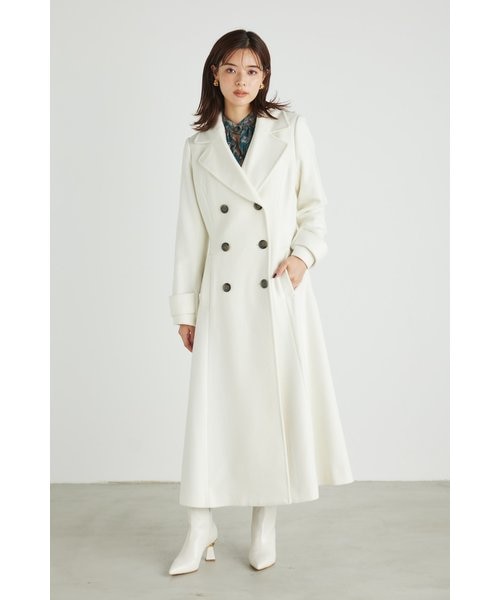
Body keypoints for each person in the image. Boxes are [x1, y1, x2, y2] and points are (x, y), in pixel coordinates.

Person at [168, 29, 354, 575]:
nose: (241, 80)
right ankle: (200, 526)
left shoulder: (290, 130)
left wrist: (302, 257)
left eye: (252, 70)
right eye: (230, 69)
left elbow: (314, 207)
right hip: (222, 298)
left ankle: (263, 525)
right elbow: (191, 234)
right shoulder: (198, 147)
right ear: (215, 74)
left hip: (274, 291)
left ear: (265, 77)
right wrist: (185, 309)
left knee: (268, 410)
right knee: (212, 414)